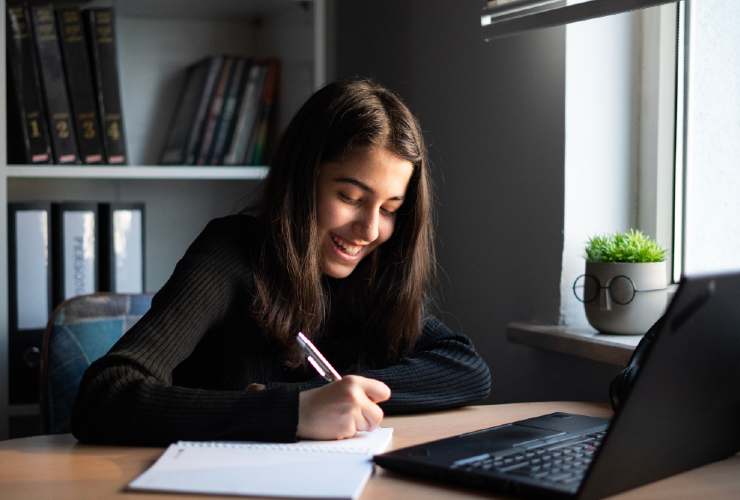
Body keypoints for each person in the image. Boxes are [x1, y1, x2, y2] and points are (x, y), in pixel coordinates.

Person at [72, 79, 491, 445]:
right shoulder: (232, 251)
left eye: (389, 209)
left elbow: (467, 367)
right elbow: (105, 395)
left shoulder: (372, 275)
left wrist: (334, 395)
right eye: (350, 198)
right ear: (302, 180)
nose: (368, 230)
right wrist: (291, 410)